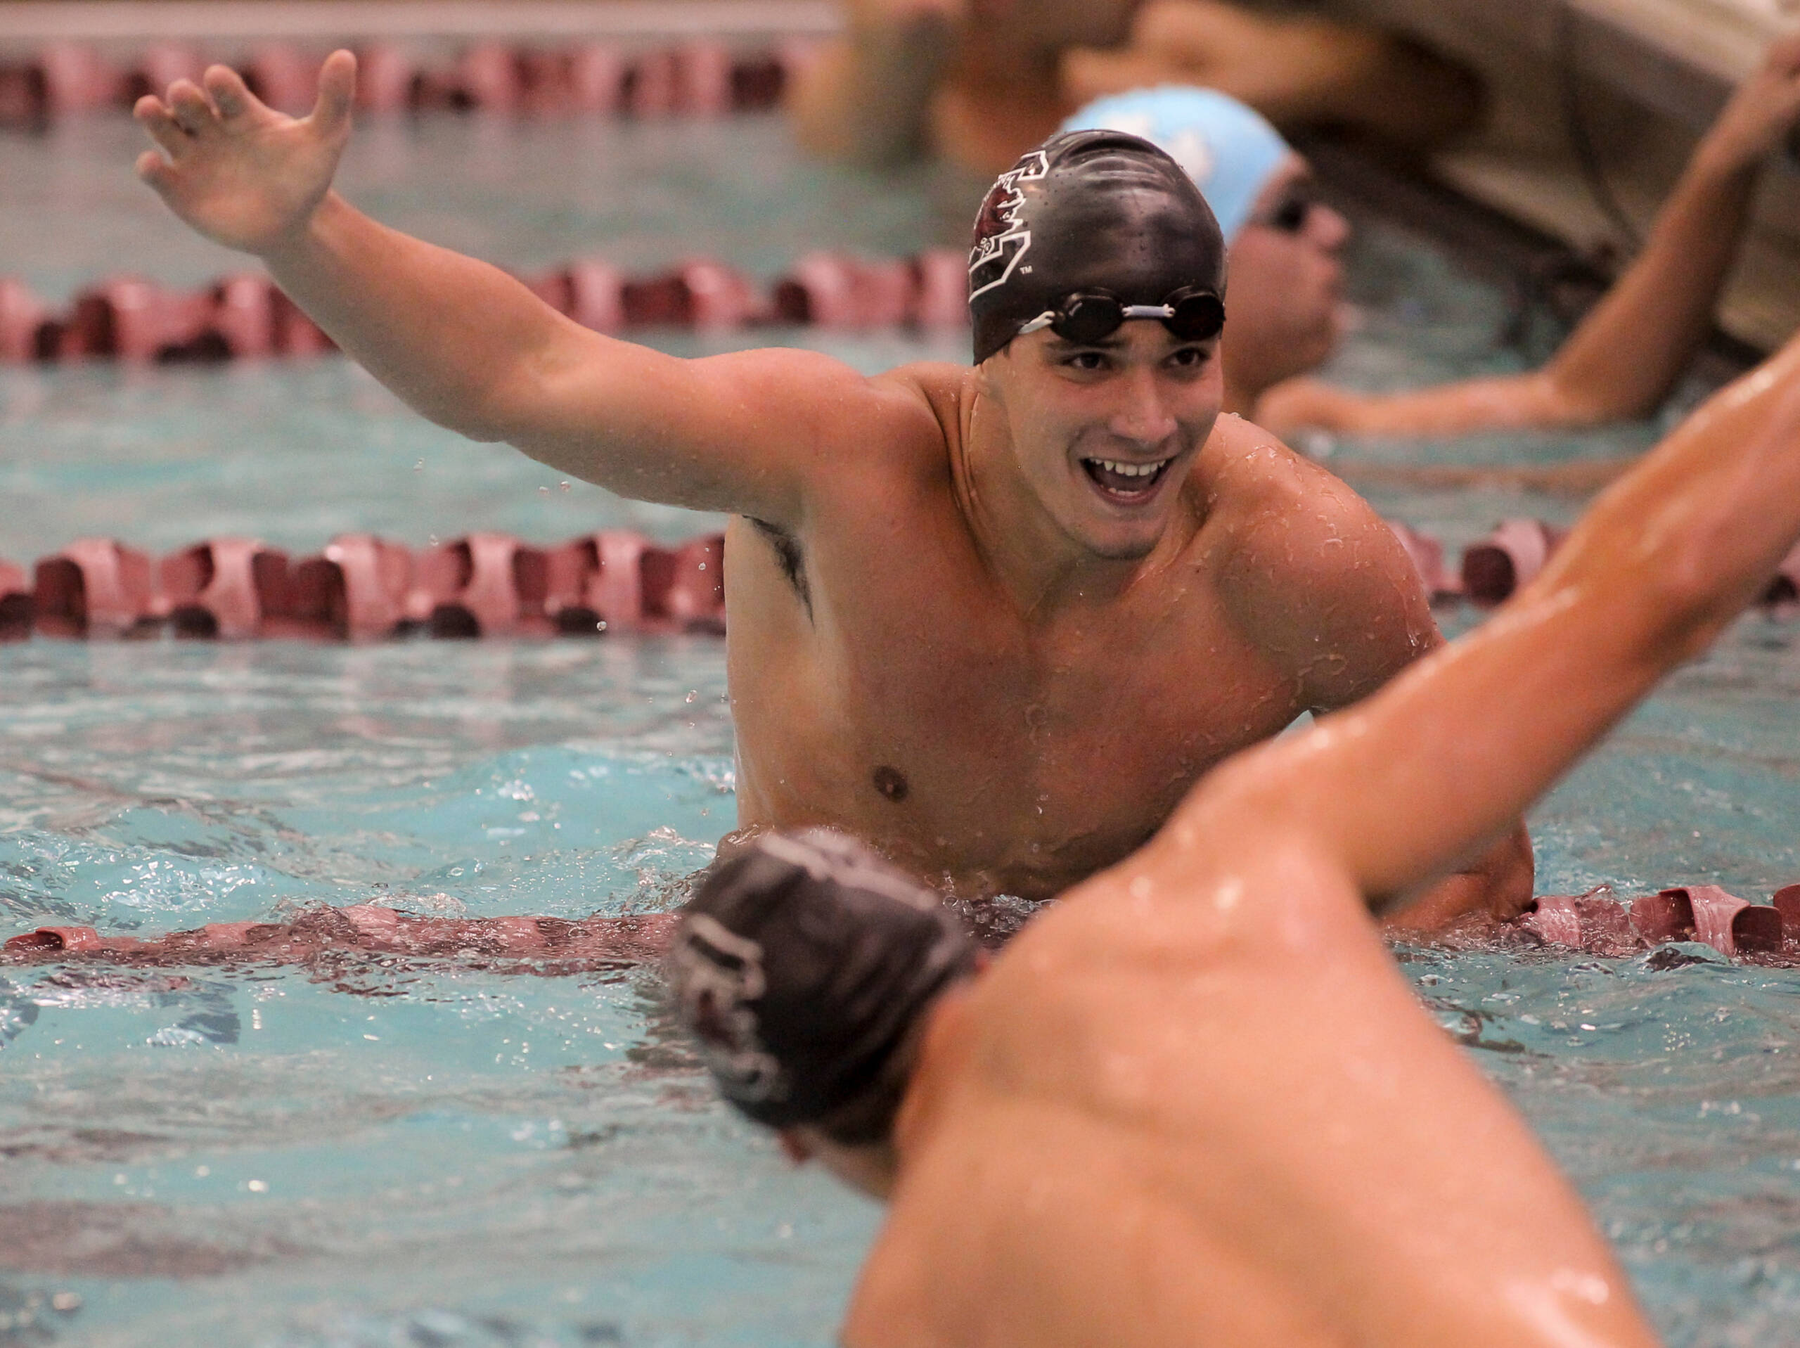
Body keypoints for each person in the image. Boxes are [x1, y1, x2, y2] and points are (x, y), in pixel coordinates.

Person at [125, 59, 1532, 924]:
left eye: (1189, 361)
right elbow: (525, 374)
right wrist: (307, 237)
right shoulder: (837, 466)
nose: (1148, 420)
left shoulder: (1299, 558)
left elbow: (1477, 863)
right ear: (990, 364)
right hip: (788, 988)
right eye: (1091, 360)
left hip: (1094, 1007)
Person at [665, 323, 1800, 1348]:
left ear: (795, 1142)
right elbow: (1653, 591)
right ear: (957, 954)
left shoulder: (914, 1308)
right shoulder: (1236, 879)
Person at [1061, 36, 1800, 443]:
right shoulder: (1281, 441)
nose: (1335, 228)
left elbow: (1579, 399)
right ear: (1182, 272)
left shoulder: (1303, 424)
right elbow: (1583, 403)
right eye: (1288, 212)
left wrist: (1725, 163)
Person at [786, 0, 1482, 177]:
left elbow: (1443, 98)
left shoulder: (1168, 45)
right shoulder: (911, 99)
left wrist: (1205, 110)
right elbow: (901, 34)